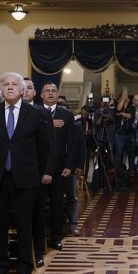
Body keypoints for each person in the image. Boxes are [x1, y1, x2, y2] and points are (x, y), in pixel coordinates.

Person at [0, 72, 53, 274]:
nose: (9, 87)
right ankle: (0, 271)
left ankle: (23, 270)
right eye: (5, 84)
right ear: (1, 90)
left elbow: (44, 148)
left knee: (24, 226)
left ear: (22, 90)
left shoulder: (35, 114)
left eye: (14, 84)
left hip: (26, 179)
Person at [41, 83, 81, 249]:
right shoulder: (35, 112)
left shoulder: (66, 114)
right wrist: (49, 123)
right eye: (47, 91)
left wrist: (70, 166)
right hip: (39, 167)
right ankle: (40, 237)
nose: (50, 94)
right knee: (40, 205)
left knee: (57, 204)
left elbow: (72, 142)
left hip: (59, 168)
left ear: (58, 94)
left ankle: (56, 237)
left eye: (53, 91)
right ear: (41, 95)